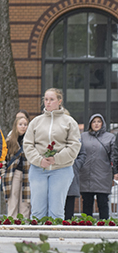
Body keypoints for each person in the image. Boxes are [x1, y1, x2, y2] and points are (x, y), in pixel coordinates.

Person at [23, 88, 81, 219]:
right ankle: (37, 239)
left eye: (51, 99)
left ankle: (56, 237)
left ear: (59, 101)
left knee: (56, 211)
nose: (48, 102)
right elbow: (27, 144)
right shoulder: (36, 122)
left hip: (61, 169)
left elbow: (74, 146)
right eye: (46, 99)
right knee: (37, 211)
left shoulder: (69, 122)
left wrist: (57, 158)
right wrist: (39, 160)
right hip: (38, 169)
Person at [79, 113, 114, 219]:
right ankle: (86, 226)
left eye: (99, 121)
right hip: (86, 176)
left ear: (102, 123)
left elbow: (114, 156)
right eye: (94, 121)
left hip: (103, 175)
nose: (96, 124)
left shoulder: (110, 137)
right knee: (87, 204)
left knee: (103, 203)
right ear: (90, 124)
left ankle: (104, 228)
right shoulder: (83, 136)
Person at [0, 110, 32, 218]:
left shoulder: (31, 140)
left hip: (28, 172)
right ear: (16, 126)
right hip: (14, 173)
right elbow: (4, 158)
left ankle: (24, 222)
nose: (23, 127)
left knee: (25, 201)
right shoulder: (10, 140)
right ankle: (12, 222)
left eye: (25, 124)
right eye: (20, 124)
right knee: (12, 199)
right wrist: (3, 171)